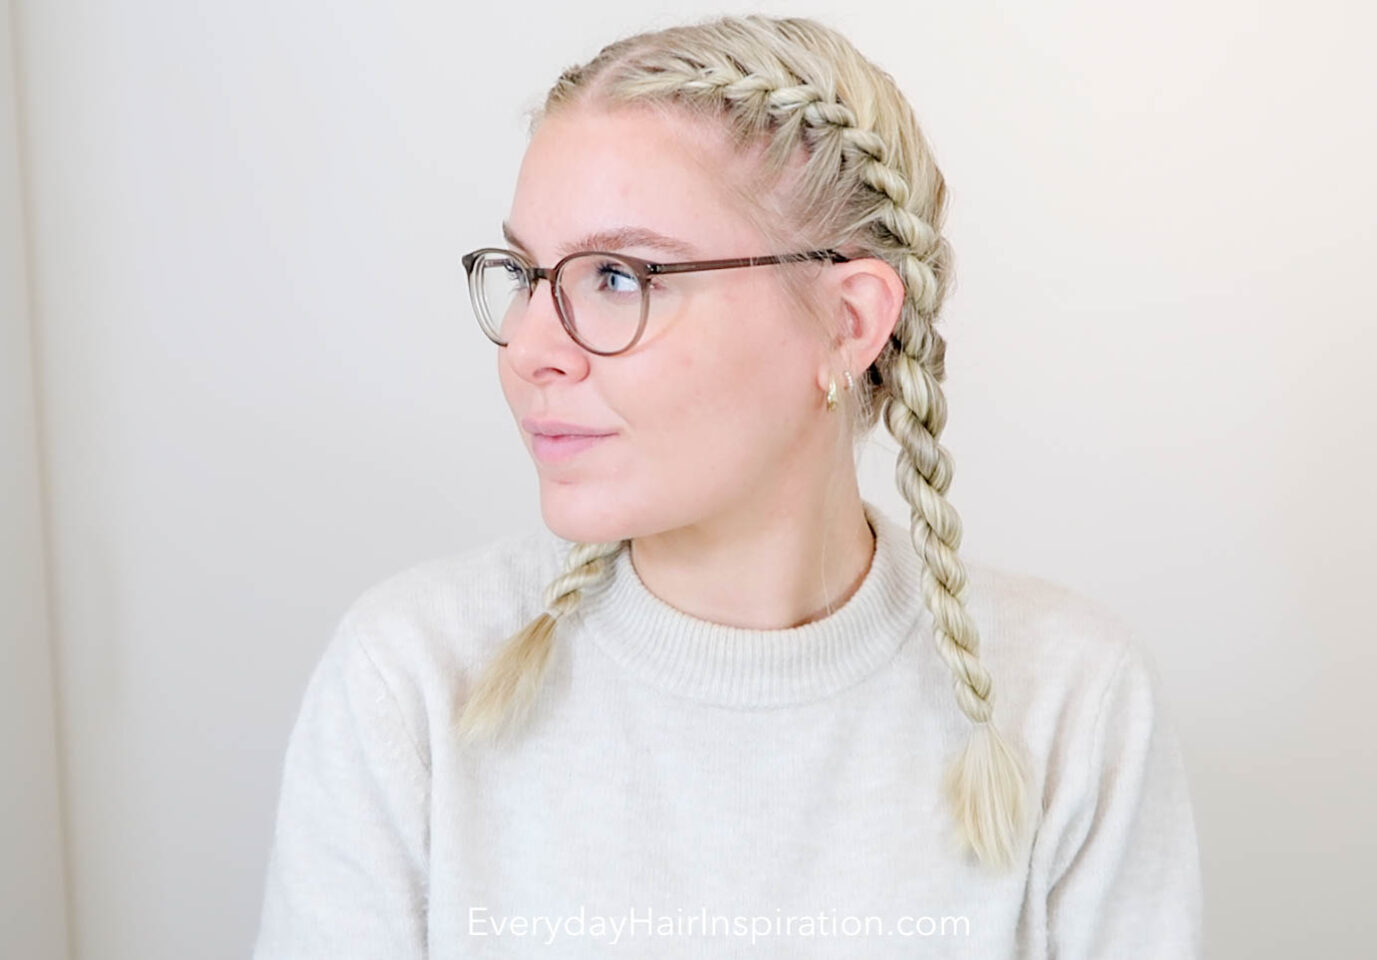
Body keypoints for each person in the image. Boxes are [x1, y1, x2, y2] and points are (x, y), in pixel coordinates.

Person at [252, 13, 1201, 959]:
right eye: (527, 275)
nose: (531, 349)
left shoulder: (1070, 703)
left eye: (617, 277)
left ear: (847, 320)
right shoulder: (410, 683)